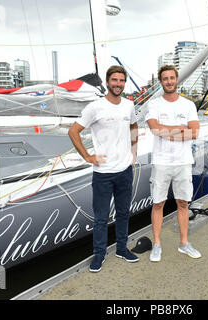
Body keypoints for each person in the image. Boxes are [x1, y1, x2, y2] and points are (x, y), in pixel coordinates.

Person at [68, 65, 139, 272]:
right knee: (101, 218)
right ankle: (99, 254)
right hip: (103, 174)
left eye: (121, 81)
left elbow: (134, 126)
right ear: (108, 82)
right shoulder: (95, 107)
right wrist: (87, 156)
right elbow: (74, 131)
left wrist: (134, 151)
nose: (118, 84)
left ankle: (122, 249)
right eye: (115, 80)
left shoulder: (128, 105)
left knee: (124, 213)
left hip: (125, 170)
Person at [145, 65, 201, 262]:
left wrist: (167, 132)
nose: (169, 81)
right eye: (165, 78)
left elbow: (194, 132)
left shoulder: (188, 105)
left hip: (183, 162)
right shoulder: (154, 105)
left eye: (172, 78)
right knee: (158, 203)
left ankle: (184, 243)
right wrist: (179, 129)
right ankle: (157, 244)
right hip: (161, 162)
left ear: (177, 80)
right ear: (161, 82)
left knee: (183, 202)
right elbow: (155, 130)